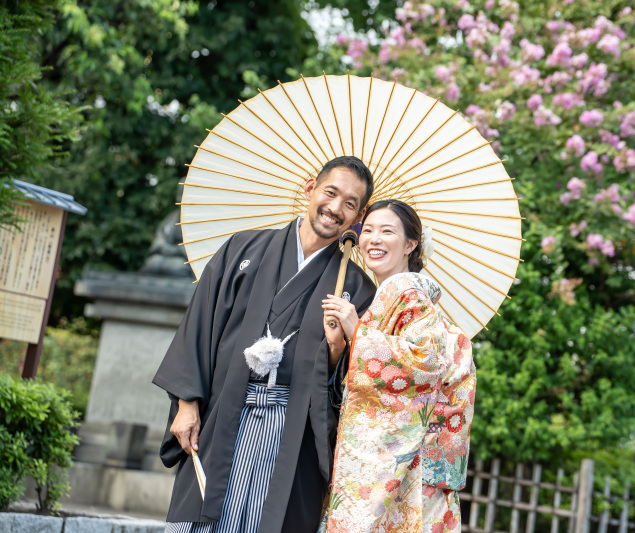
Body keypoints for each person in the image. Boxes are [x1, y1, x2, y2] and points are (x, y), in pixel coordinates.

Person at [153, 156, 377, 533]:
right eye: (331, 193)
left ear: (359, 215)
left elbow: (360, 383)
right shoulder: (243, 250)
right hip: (224, 414)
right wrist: (186, 404)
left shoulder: (356, 288)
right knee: (202, 516)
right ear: (310, 188)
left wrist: (340, 347)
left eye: (350, 204)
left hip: (293, 434)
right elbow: (199, 327)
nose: (336, 209)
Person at [318, 200, 476, 533]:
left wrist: (355, 330)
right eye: (368, 230)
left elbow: (425, 361)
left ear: (410, 244)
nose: (373, 239)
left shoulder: (407, 292)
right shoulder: (386, 295)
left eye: (387, 231)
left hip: (403, 469)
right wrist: (341, 344)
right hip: (411, 461)